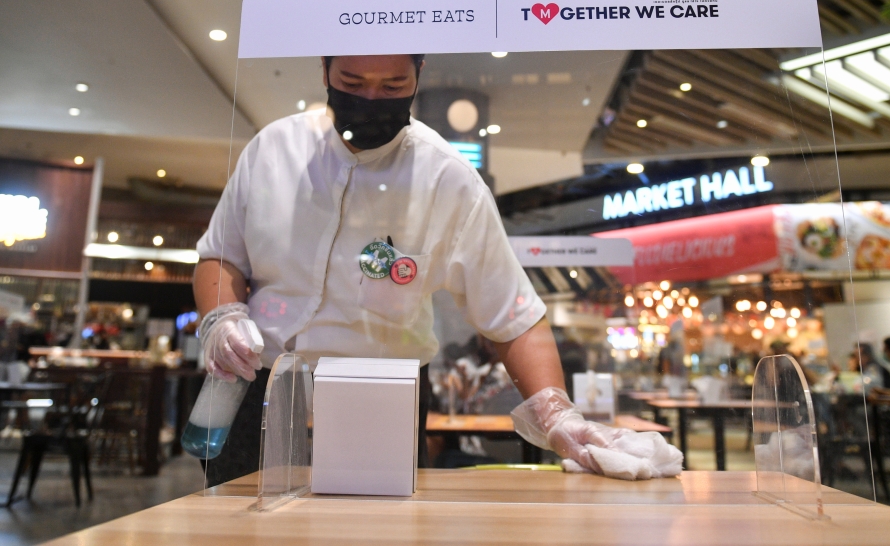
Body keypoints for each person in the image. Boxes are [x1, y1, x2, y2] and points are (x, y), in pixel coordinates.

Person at [193, 53, 677, 485]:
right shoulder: (272, 150)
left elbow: (513, 315)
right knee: (241, 528)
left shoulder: (448, 179)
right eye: (353, 81)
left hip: (380, 398)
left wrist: (558, 415)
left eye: (391, 86)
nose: (370, 98)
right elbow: (221, 255)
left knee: (372, 536)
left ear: (418, 76)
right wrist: (222, 317)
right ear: (324, 71)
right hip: (256, 383)